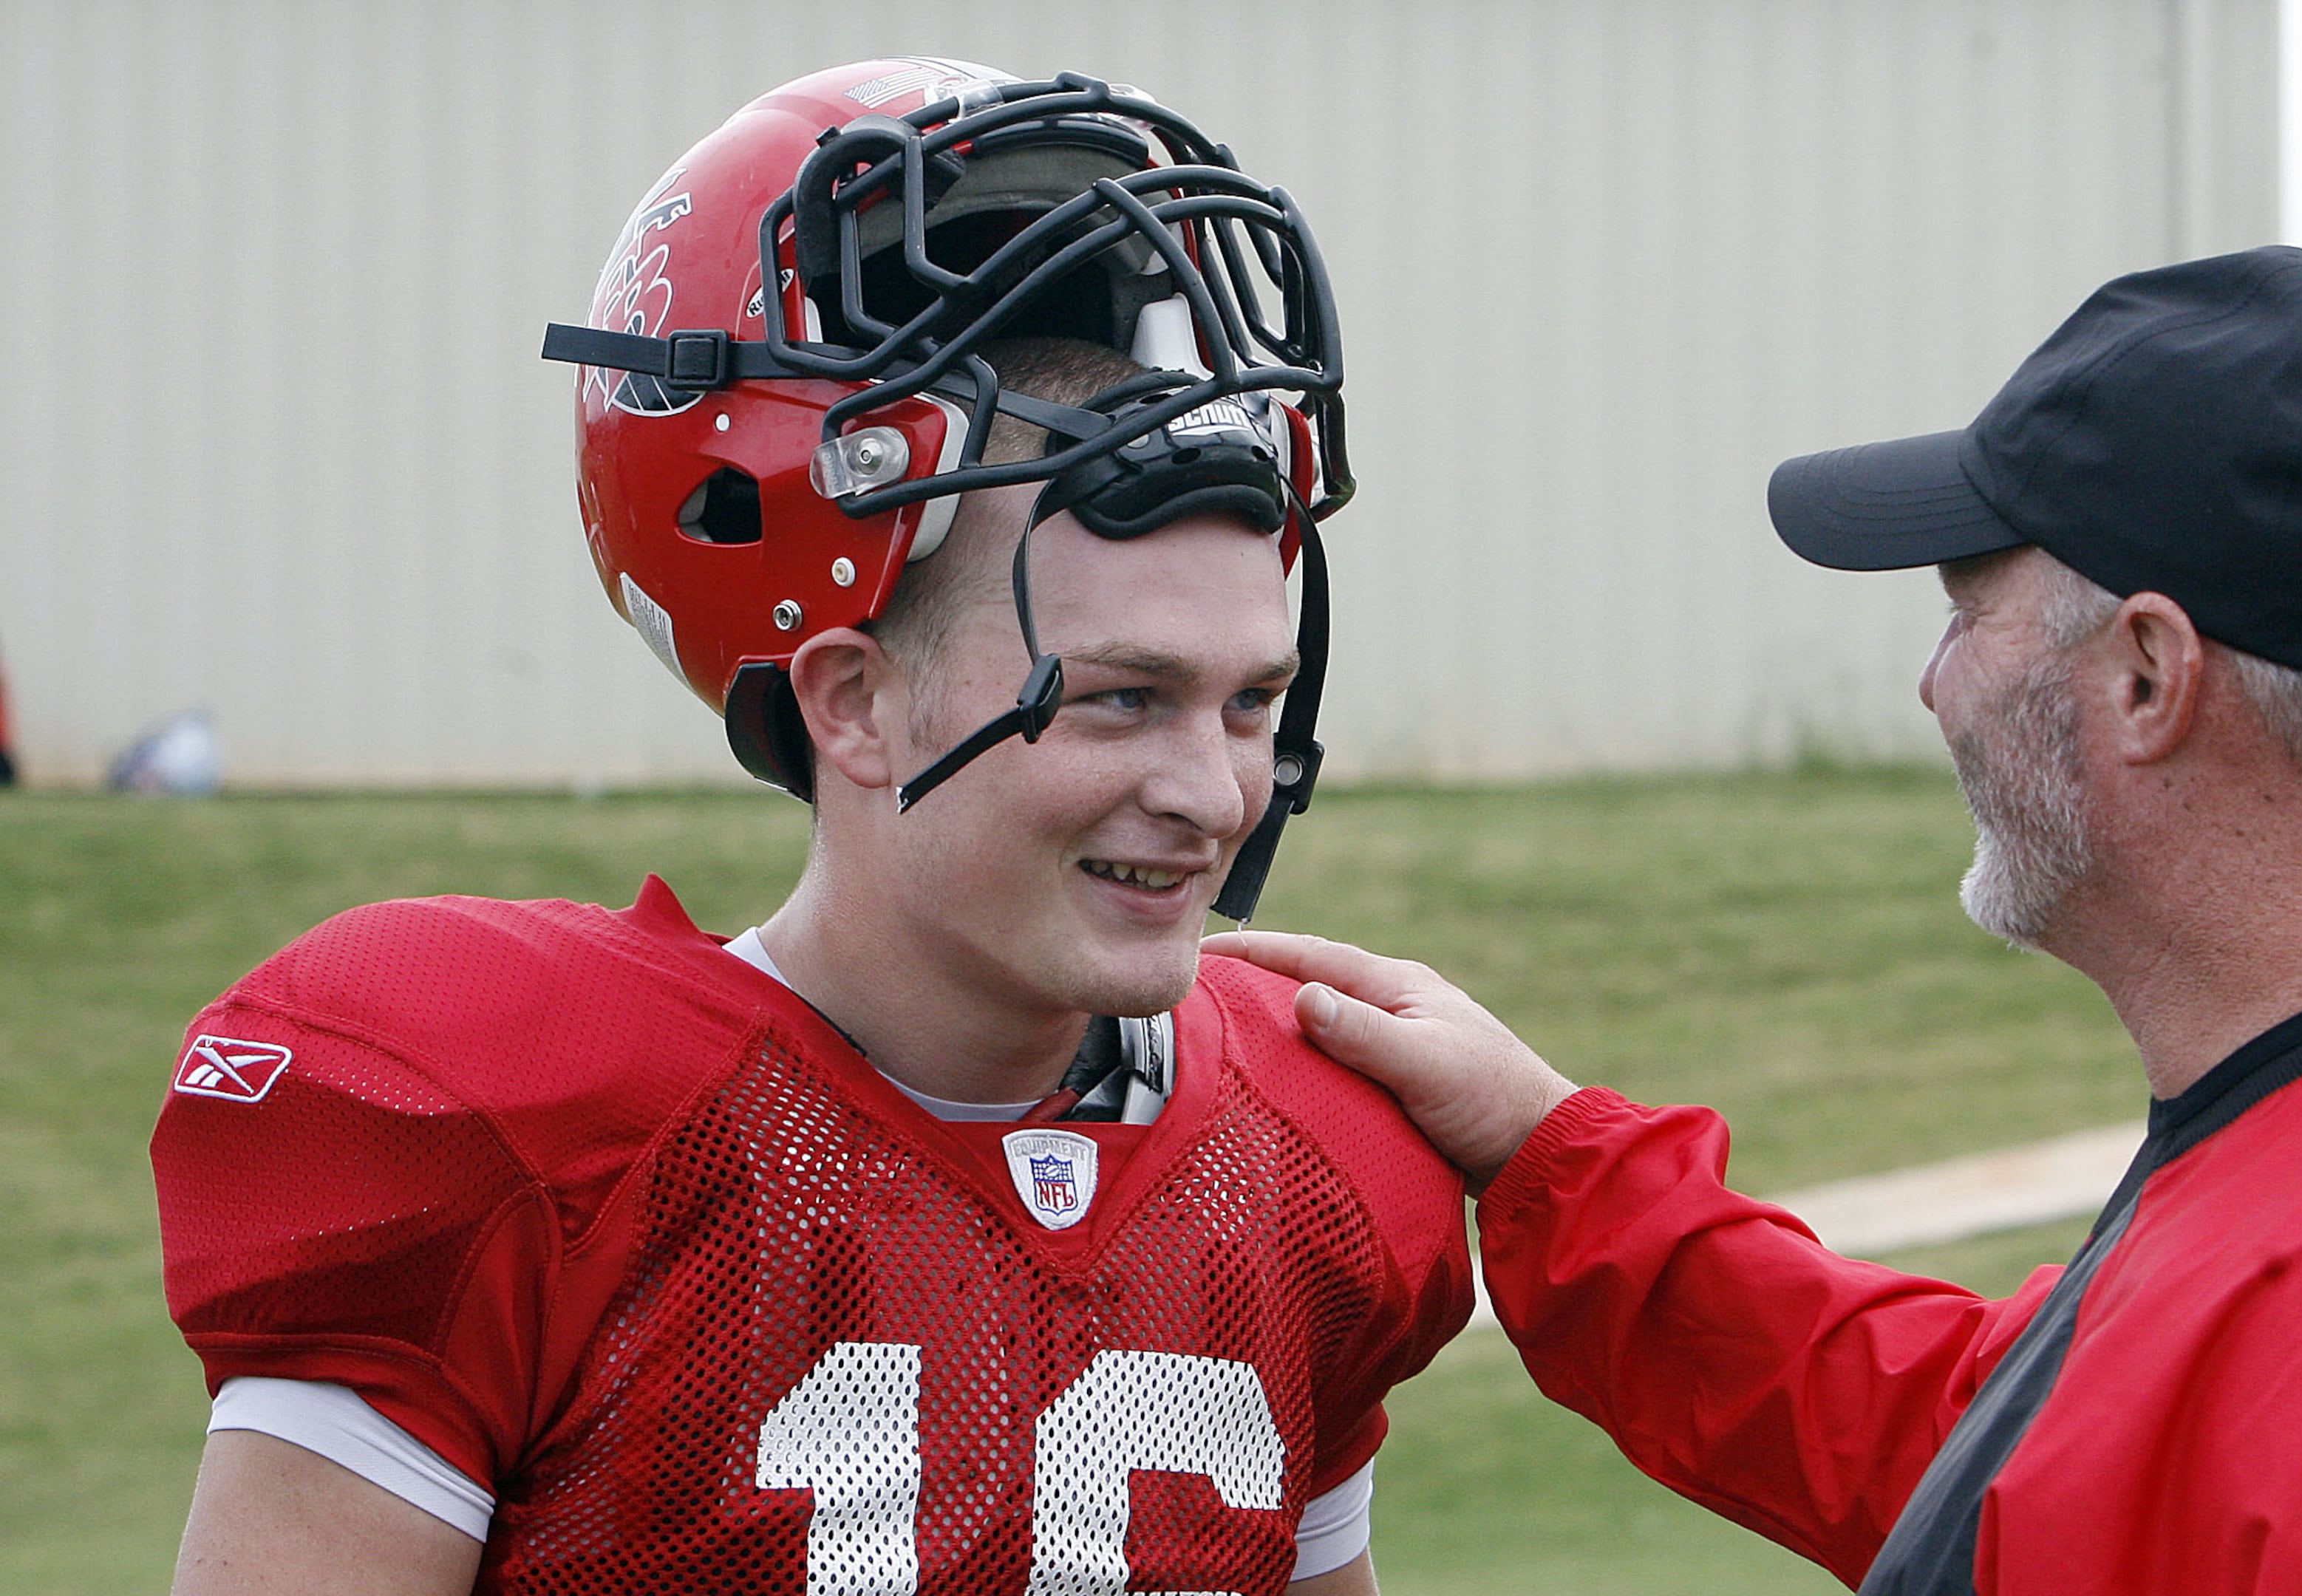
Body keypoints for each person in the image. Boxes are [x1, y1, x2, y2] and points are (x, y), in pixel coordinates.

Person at [1216, 248, 2302, 1594]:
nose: (1933, 686)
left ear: (2148, 678)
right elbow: (2037, 1467)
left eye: (1965, 611)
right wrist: (1551, 1152)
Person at [151, 58, 1469, 1596]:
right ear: (850, 704)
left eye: (1252, 703)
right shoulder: (537, 1131)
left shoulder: (1306, 1152)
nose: (1208, 791)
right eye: (1119, 699)